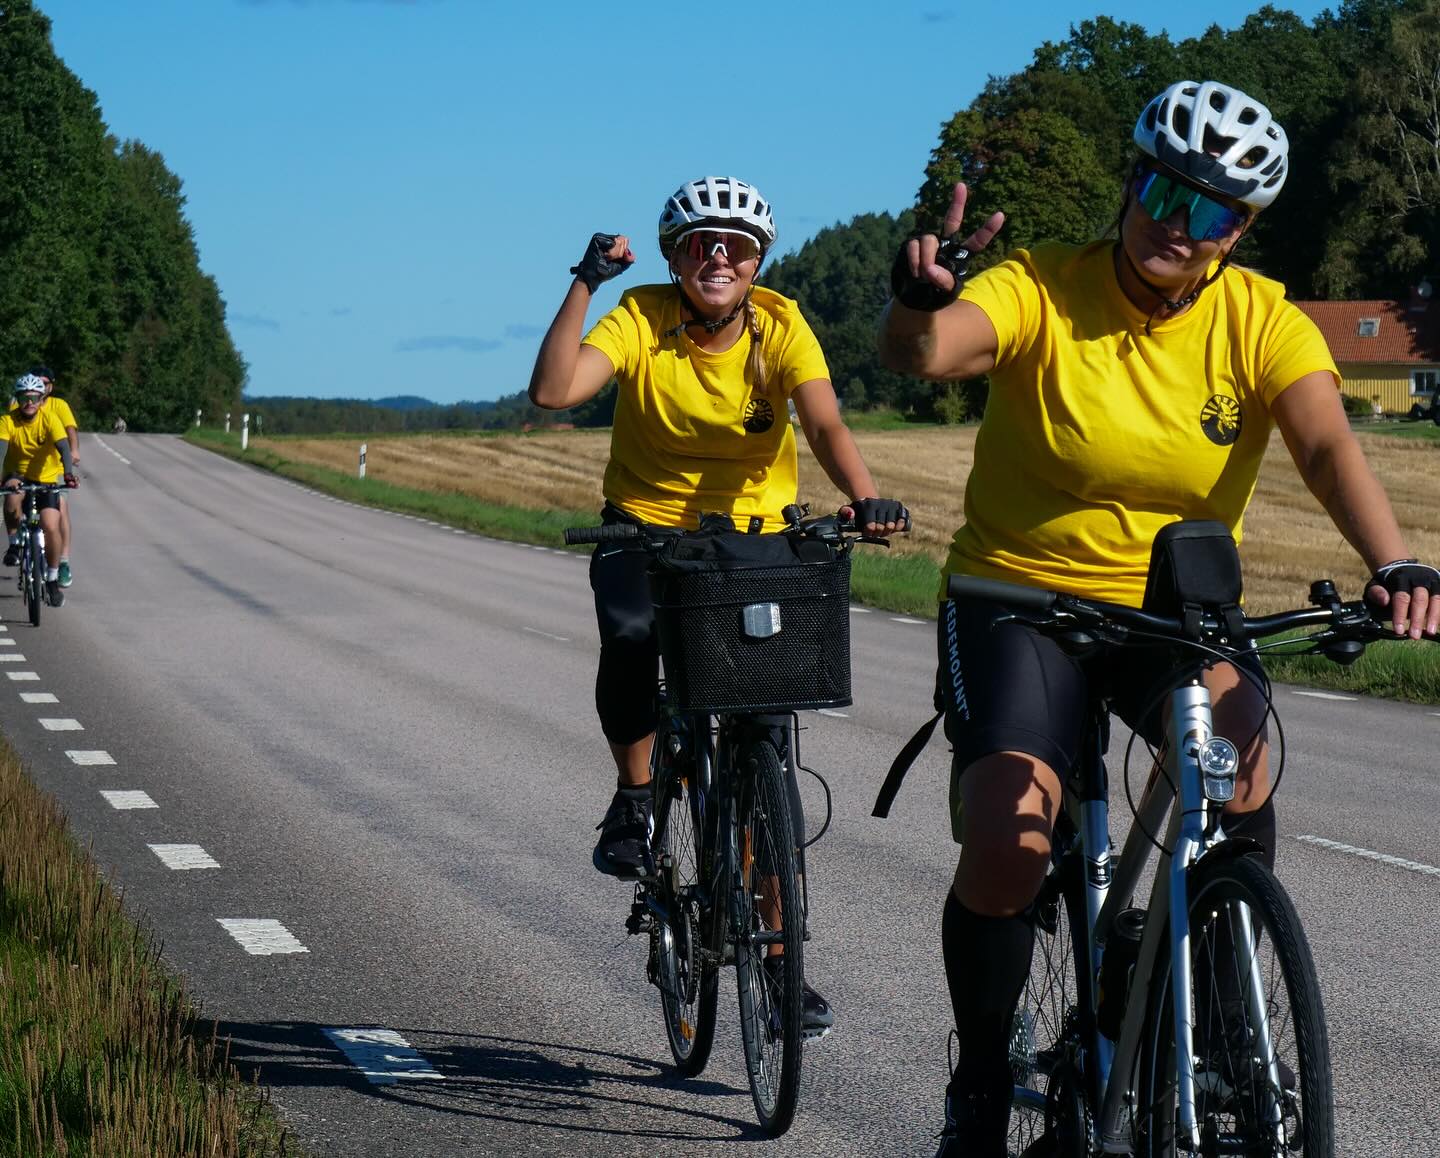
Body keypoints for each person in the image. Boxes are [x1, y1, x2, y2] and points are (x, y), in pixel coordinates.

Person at [878, 80, 1440, 1155]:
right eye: (1162, 192)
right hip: (1018, 600)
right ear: (1130, 183)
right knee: (1007, 835)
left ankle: (1224, 1006)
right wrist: (916, 302)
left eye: (1213, 211)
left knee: (1243, 766)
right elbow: (929, 353)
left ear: (1244, 230)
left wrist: (1397, 558)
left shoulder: (1260, 319)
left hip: (1173, 611)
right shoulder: (1042, 286)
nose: (1177, 227)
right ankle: (985, 1079)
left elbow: (1327, 445)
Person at [529, 175, 909, 1037]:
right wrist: (586, 281)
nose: (719, 257)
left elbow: (824, 423)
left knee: (766, 731)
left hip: (751, 542)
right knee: (629, 635)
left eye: (736, 246)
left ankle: (780, 962)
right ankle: (634, 799)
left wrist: (865, 496)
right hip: (646, 533)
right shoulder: (642, 317)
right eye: (701, 243)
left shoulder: (779, 322)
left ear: (757, 261)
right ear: (674, 255)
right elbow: (555, 392)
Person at [0, 374, 79, 606]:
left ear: (41, 398)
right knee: (12, 495)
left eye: (34, 398)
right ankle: (14, 545)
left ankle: (53, 579)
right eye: (24, 397)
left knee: (50, 525)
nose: (29, 403)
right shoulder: (7, 421)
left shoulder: (50, 419)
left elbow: (64, 447)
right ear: (18, 398)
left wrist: (67, 474)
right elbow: (1, 450)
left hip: (46, 479)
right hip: (18, 474)